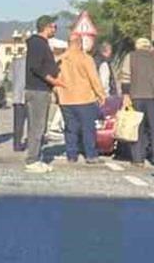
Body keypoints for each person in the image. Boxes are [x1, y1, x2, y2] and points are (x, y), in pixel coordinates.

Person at [56, 32, 108, 164]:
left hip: (66, 99)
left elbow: (55, 79)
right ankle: (90, 155)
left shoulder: (61, 59)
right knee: (88, 128)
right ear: (79, 43)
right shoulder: (85, 58)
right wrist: (101, 94)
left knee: (70, 128)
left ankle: (71, 155)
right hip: (84, 99)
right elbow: (94, 78)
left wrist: (57, 94)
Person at [24, 16, 63, 172]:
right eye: (54, 27)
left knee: (40, 126)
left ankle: (36, 157)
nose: (55, 29)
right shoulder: (37, 44)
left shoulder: (42, 44)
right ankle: (32, 160)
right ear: (47, 27)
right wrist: (53, 81)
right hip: (37, 90)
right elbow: (36, 67)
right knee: (37, 126)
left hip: (41, 90)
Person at [125, 37, 154, 168]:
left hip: (136, 97)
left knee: (137, 129)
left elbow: (126, 75)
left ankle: (138, 159)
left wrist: (126, 95)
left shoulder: (130, 57)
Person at [10, 51, 28, 152]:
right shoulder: (34, 62)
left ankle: (16, 144)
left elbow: (10, 77)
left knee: (18, 123)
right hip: (30, 95)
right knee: (32, 123)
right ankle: (32, 144)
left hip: (17, 96)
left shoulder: (15, 62)